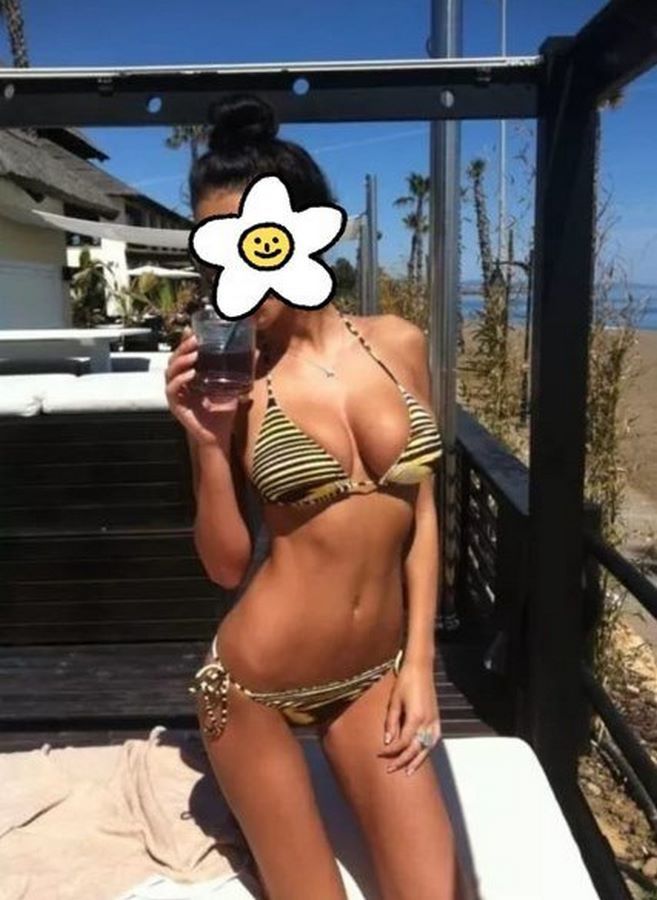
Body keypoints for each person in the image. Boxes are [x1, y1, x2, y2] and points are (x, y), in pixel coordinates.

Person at [166, 93, 465, 900]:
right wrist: (205, 442)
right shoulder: (236, 380)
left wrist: (419, 668)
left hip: (373, 677)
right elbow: (226, 567)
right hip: (252, 688)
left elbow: (421, 514)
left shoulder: (398, 343)